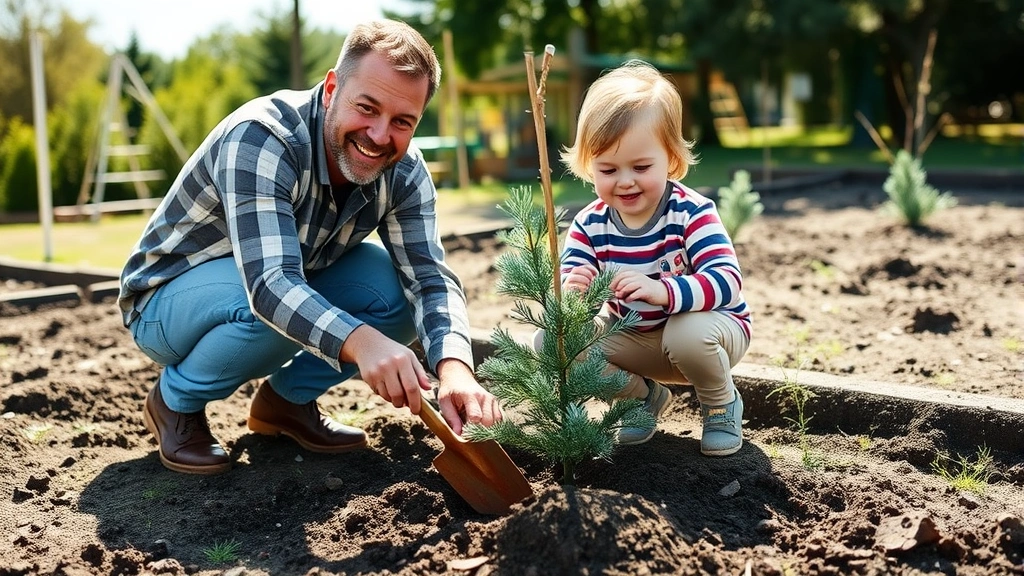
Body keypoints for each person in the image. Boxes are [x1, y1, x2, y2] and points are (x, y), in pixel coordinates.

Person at [118, 19, 501, 475]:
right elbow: (269, 286)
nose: (380, 135)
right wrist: (362, 343)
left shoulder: (405, 172)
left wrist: (454, 367)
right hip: (166, 303)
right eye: (367, 108)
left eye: (402, 121)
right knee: (274, 305)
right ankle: (174, 402)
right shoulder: (261, 137)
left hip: (281, 279)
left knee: (397, 295)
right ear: (332, 87)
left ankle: (285, 404)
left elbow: (430, 279)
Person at [552, 59, 751, 456]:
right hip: (636, 340)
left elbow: (728, 280)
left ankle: (720, 404)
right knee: (555, 340)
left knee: (686, 332)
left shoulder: (690, 212)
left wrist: (664, 291)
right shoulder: (590, 224)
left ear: (671, 159)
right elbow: (574, 276)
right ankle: (638, 400)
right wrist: (574, 290)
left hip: (710, 334)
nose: (625, 180)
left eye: (641, 166)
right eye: (608, 169)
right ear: (588, 167)